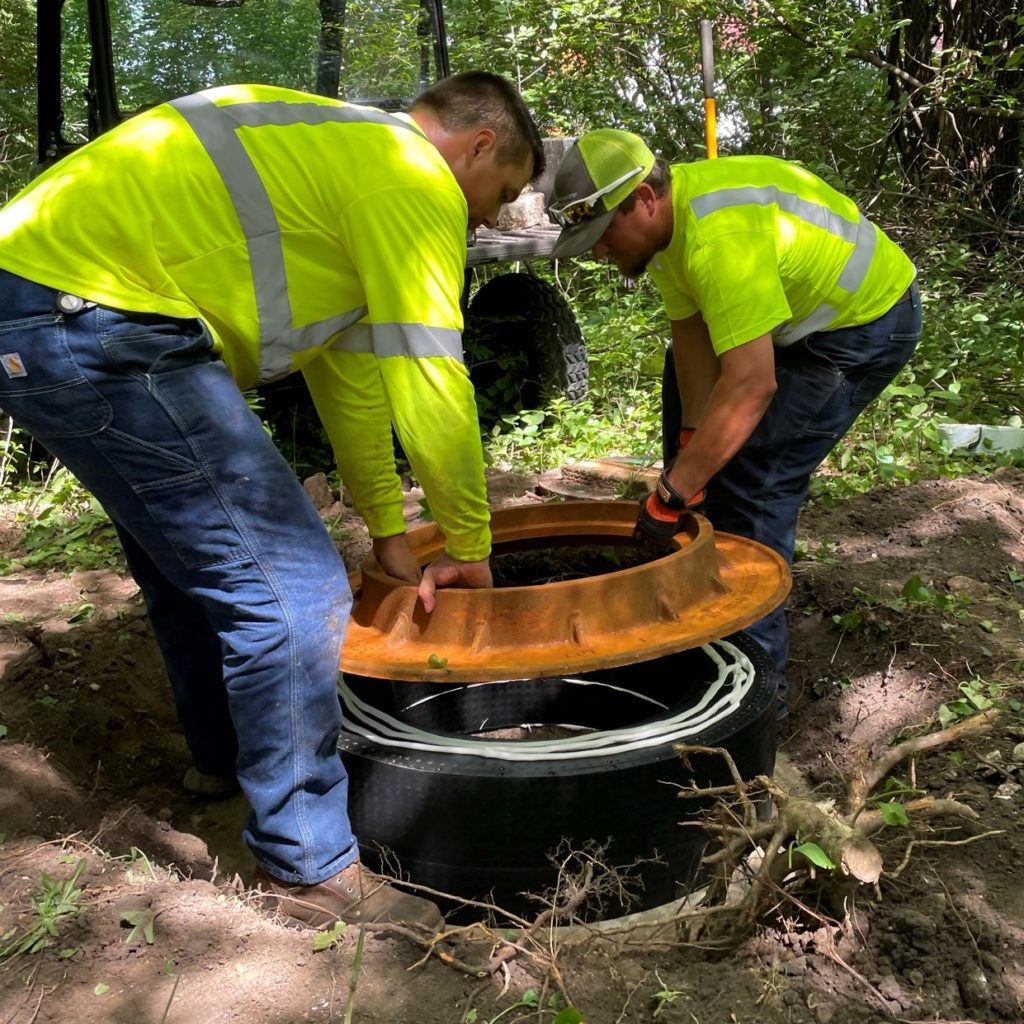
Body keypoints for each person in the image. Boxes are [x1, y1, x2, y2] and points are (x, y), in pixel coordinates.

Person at [0, 72, 544, 931]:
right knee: (296, 592)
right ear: (476, 146)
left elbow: (355, 383)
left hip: (37, 302)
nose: (488, 216)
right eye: (502, 193)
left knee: (196, 565)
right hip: (102, 317)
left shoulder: (342, 163)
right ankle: (309, 865)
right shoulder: (412, 176)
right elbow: (433, 377)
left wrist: (391, 531)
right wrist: (470, 546)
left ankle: (222, 764)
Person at [548, 130, 922, 717]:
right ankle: (696, 631)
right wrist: (691, 458)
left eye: (603, 235)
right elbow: (692, 343)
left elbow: (751, 383)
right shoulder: (671, 232)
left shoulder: (719, 240)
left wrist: (671, 492)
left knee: (754, 482)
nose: (599, 252)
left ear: (645, 199)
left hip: (860, 328)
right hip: (788, 324)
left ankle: (754, 698)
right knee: (707, 467)